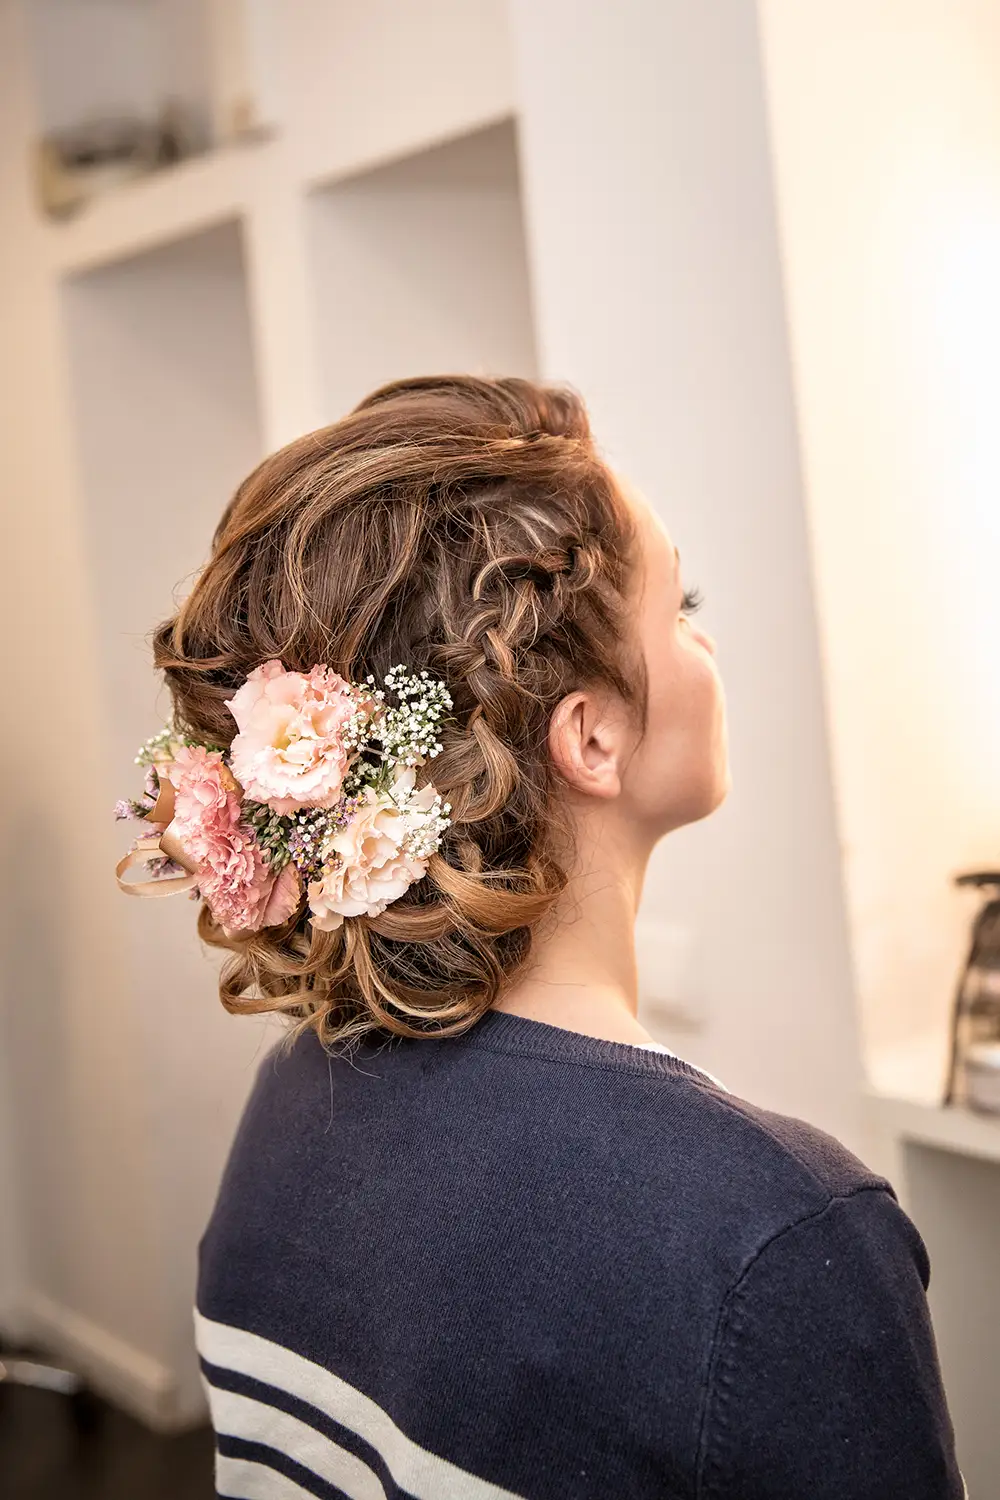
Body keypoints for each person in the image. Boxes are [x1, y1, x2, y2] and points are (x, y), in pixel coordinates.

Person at [121, 375, 964, 1497]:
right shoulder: (778, 1236)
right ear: (591, 737)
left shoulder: (295, 1094)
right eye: (681, 606)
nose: (709, 644)